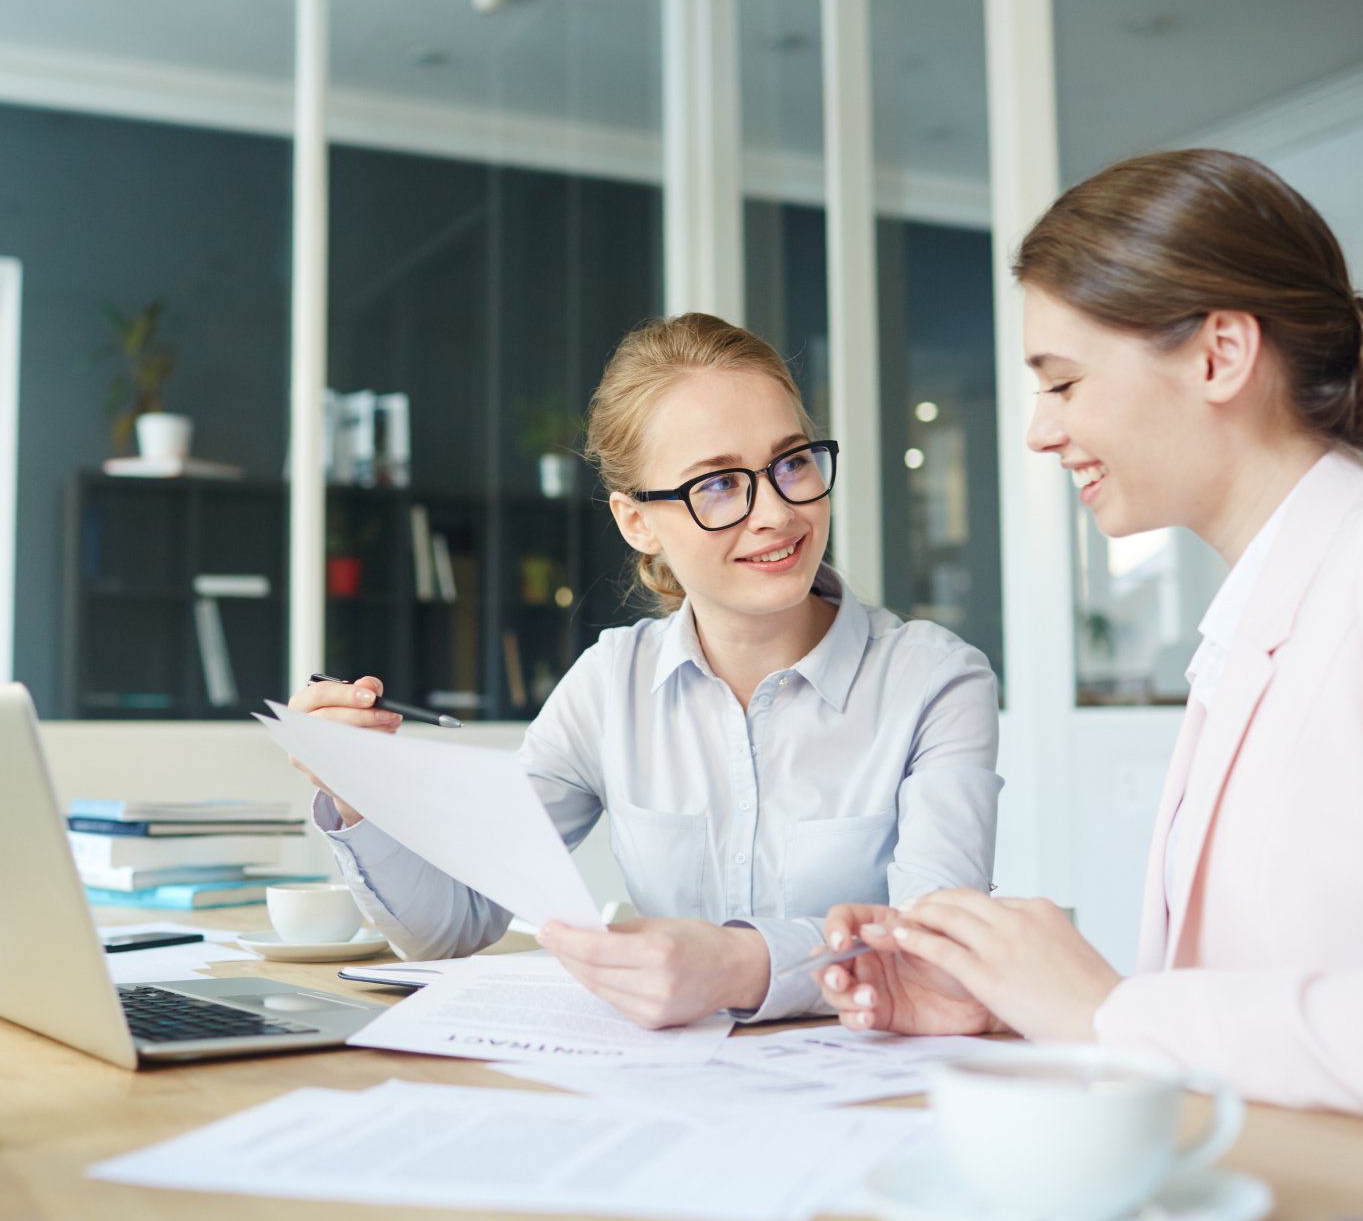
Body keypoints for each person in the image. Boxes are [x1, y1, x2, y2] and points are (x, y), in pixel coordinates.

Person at [818, 148, 1363, 1140]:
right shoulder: (1248, 621)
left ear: (1220, 354)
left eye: (1064, 381)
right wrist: (1024, 1007)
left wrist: (1103, 1009)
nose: (1039, 432)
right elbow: (1247, 1007)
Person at [290, 312, 1001, 1026]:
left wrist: (734, 965)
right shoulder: (610, 685)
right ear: (637, 521)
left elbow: (934, 953)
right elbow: (453, 920)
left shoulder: (935, 683)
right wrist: (355, 789)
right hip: (668, 1087)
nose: (778, 512)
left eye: (793, 462)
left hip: (877, 1097)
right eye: (719, 484)